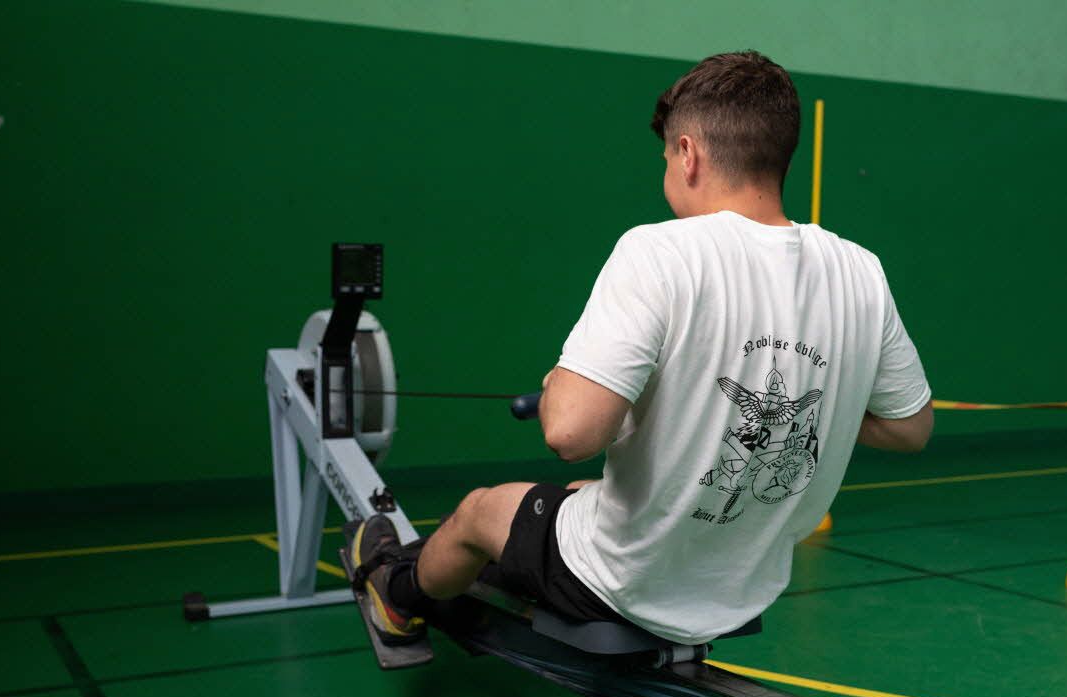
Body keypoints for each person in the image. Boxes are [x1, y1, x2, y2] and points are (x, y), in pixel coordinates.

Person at [352, 50, 932, 647]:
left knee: (479, 510)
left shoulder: (659, 251)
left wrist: (560, 390)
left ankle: (395, 597)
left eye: (665, 159)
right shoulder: (861, 271)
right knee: (580, 497)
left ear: (688, 154)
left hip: (625, 582)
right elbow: (910, 429)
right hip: (742, 587)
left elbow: (570, 436)